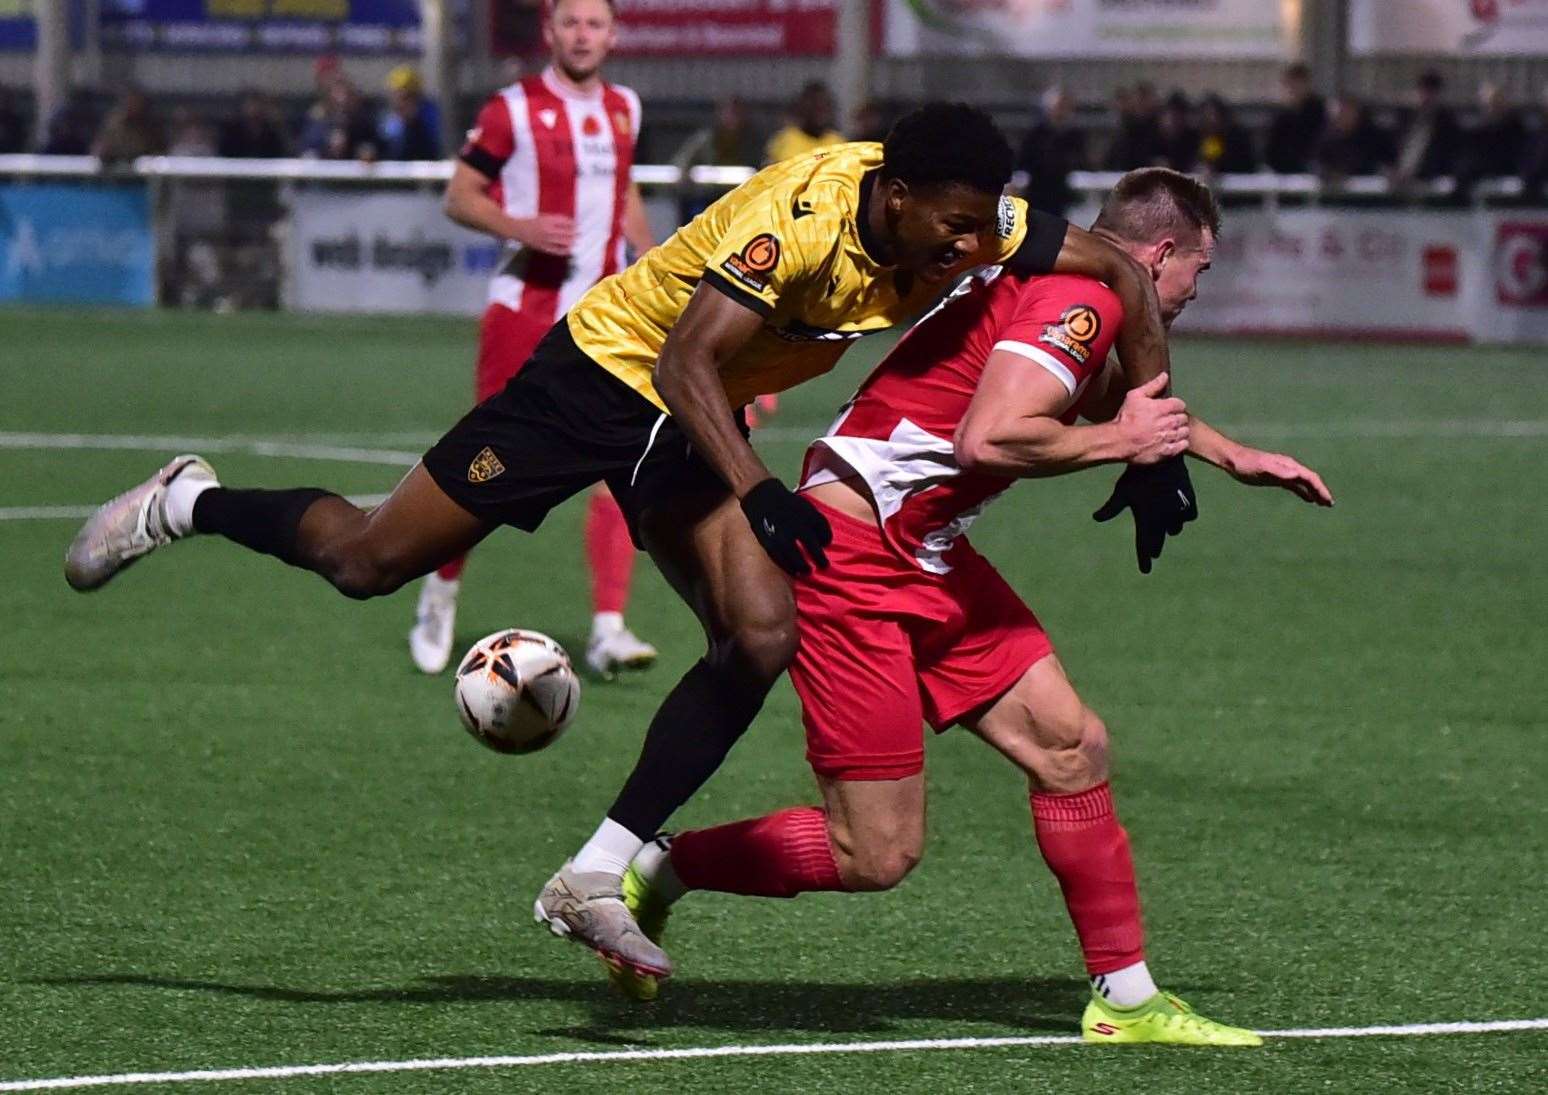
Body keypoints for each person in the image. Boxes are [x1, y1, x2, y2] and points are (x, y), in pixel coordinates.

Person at [64, 103, 1187, 981]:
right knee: (368, 560)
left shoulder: (974, 214)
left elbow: (1126, 274)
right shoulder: (791, 220)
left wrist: (1155, 441)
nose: (962, 245)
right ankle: (187, 500)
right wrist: (754, 490)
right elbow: (684, 365)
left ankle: (596, 875)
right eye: (945, 223)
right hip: (606, 381)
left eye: (974, 225)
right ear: (890, 193)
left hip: (701, 415)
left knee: (760, 635)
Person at [610, 169, 1331, 1044]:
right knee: (874, 854)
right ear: (1160, 254)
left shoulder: (1058, 286)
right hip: (854, 556)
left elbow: (1099, 398)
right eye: (1197, 274)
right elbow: (989, 434)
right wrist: (1122, 444)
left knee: (1071, 744)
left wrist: (1227, 453)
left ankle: (1127, 1000)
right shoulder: (1084, 300)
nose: (1193, 294)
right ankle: (663, 865)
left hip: (923, 550)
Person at [406, 0, 657, 678]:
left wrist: (656, 260)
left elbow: (622, 190)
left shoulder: (624, 108)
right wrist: (519, 227)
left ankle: (607, 626)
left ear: (613, 35)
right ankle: (442, 585)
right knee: (487, 464)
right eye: (571, 23)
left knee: (623, 463)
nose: (583, 35)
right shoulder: (511, 107)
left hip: (607, 320)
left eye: (595, 24)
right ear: (550, 32)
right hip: (526, 313)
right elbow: (459, 196)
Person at [670, 95, 759, 224]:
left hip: (739, 199)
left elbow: (760, 165)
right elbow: (682, 161)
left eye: (737, 113)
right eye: (729, 113)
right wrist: (686, 175)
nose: (732, 118)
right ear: (720, 114)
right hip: (708, 197)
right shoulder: (706, 139)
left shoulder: (752, 141)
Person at [1013, 85, 1086, 216]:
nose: (1062, 111)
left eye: (1066, 107)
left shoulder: (1075, 135)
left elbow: (1082, 161)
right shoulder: (1035, 135)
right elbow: (1023, 161)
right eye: (1060, 106)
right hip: (1039, 193)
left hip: (1062, 195)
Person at [1263, 62, 1326, 175]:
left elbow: (1318, 145)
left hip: (1311, 173)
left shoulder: (1319, 113)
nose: (1293, 89)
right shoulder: (1282, 117)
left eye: (1297, 84)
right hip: (1284, 175)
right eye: (1289, 84)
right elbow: (1272, 150)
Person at [763, 81, 844, 165]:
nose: (820, 113)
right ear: (803, 108)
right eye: (815, 107)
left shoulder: (837, 142)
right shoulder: (787, 139)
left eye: (824, 106)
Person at [378, 66, 442, 162]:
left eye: (405, 96)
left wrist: (412, 124)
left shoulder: (430, 116)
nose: (398, 101)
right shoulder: (387, 118)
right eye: (395, 94)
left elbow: (433, 149)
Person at [91, 88, 165, 163]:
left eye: (135, 103)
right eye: (129, 102)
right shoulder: (115, 123)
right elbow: (100, 150)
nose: (132, 106)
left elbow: (158, 153)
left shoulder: (150, 126)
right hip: (115, 168)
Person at [1195, 94, 1256, 176]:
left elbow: (1243, 164)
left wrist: (1217, 168)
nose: (1212, 120)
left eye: (1215, 115)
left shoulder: (1237, 138)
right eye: (1207, 116)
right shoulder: (1200, 138)